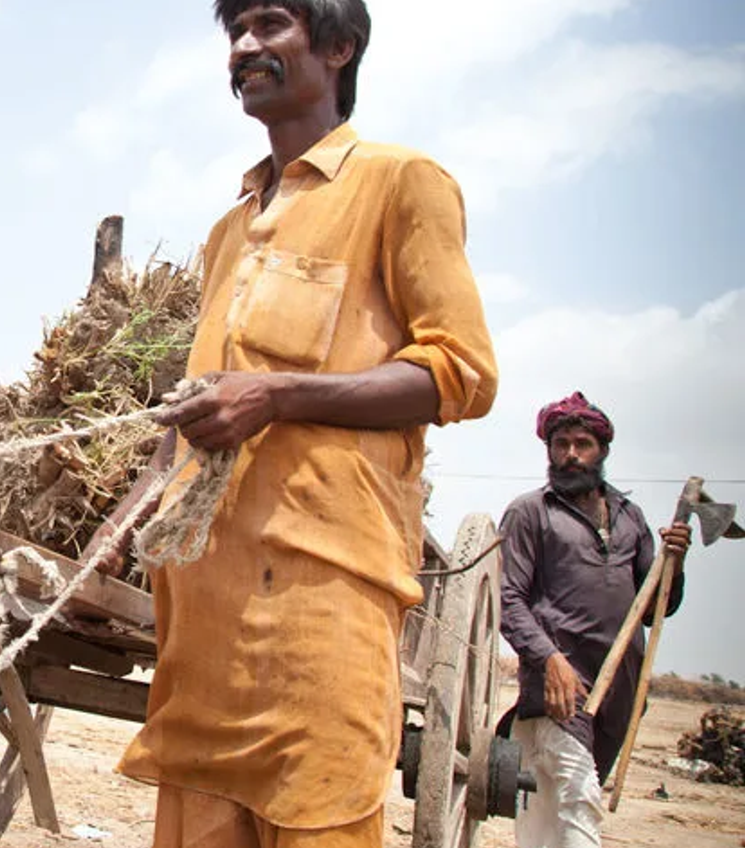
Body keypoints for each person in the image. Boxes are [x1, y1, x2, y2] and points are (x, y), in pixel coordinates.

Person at [81, 1, 498, 845]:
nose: (244, 48)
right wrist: (128, 513)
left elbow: (463, 373)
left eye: (270, 25)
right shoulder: (228, 230)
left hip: (322, 604)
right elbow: (202, 401)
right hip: (201, 616)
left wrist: (276, 398)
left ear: (340, 47)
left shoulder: (400, 180)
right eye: (234, 33)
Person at [498, 391, 692, 848]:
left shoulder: (631, 518)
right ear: (548, 450)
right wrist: (548, 659)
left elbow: (656, 608)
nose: (570, 455)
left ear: (601, 450)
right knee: (580, 797)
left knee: (556, 815)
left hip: (619, 690)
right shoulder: (530, 512)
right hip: (558, 688)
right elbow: (509, 599)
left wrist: (675, 564)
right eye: (560, 444)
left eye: (581, 443)